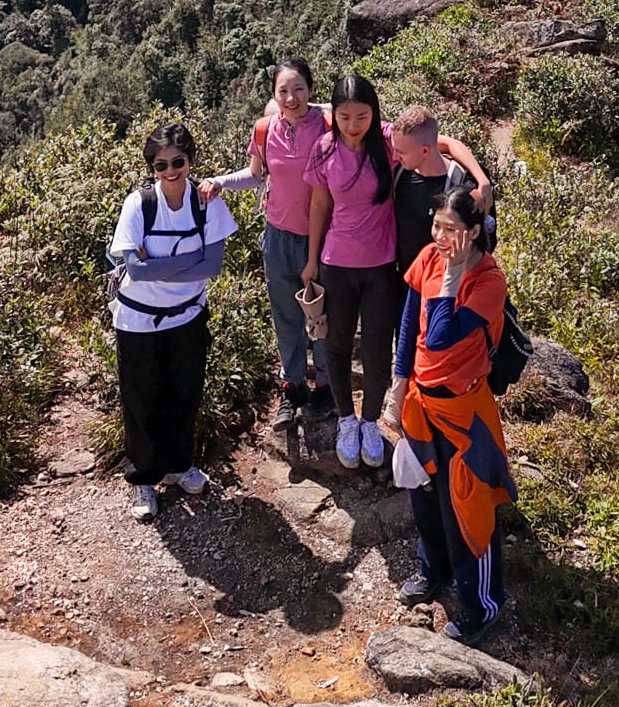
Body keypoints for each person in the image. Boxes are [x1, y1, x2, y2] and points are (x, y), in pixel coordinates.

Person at [383, 185, 516, 645]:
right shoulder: (428, 257)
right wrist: (398, 385)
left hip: (464, 414)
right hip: (423, 404)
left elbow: (440, 337)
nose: (440, 237)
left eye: (451, 229)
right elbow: (409, 327)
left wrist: (453, 274)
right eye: (436, 226)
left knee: (468, 507)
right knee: (425, 495)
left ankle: (482, 605)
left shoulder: (488, 282)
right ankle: (433, 569)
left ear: (474, 232)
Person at [108, 121, 237, 524]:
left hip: (187, 317)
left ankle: (181, 465)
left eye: (178, 162)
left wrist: (158, 266)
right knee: (141, 399)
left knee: (185, 394)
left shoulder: (207, 203)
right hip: (138, 321)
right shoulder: (139, 204)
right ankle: (144, 478)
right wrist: (191, 261)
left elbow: (212, 267)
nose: (170, 171)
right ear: (152, 168)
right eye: (160, 165)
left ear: (190, 160)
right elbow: (135, 270)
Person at [201, 58, 333, 429]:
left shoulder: (327, 125)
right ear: (274, 94)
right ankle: (293, 388)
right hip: (277, 235)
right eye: (283, 91)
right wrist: (220, 182)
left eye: (299, 89)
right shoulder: (264, 129)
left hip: (322, 236)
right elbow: (256, 175)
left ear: (311, 90)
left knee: (323, 315)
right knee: (285, 315)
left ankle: (326, 386)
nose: (291, 98)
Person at [303, 71, 402, 472]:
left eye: (361, 116)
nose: (353, 125)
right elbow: (319, 205)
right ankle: (347, 420)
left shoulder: (389, 141)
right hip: (337, 264)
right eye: (344, 117)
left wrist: (479, 180)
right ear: (334, 115)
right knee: (337, 344)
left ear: (374, 113)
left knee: (378, 348)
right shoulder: (325, 148)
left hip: (382, 265)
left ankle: (370, 422)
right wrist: (312, 259)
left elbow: (439, 143)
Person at [392, 103, 491, 275]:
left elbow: (483, 243)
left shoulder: (463, 185)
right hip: (406, 282)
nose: (394, 156)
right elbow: (446, 142)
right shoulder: (400, 174)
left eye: (401, 152)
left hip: (446, 282)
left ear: (425, 151)